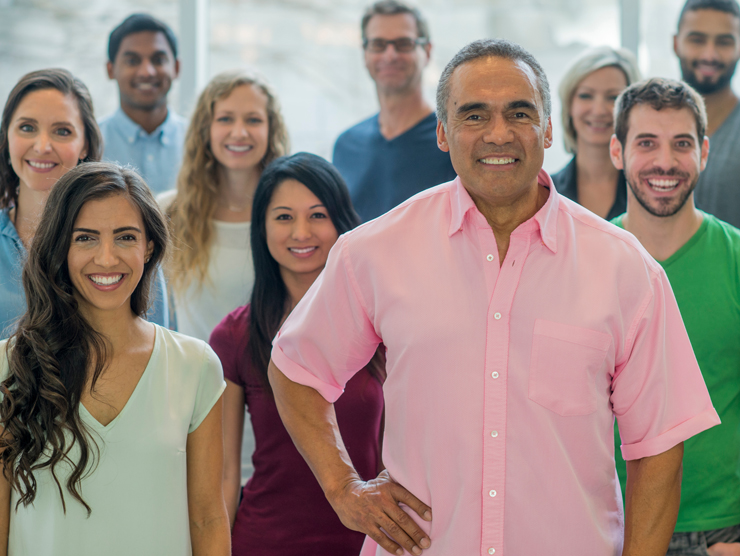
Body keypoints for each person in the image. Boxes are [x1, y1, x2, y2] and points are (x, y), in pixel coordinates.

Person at [267, 39, 720, 556]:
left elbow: (659, 445)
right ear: (442, 131)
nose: (498, 133)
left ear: (549, 128)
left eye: (520, 113)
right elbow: (295, 368)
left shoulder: (624, 267)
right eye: (474, 114)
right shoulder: (375, 251)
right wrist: (342, 486)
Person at [0, 162, 229, 555]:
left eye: (125, 237)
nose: (107, 259)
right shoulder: (9, 366)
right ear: (60, 247)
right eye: (86, 238)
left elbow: (207, 517)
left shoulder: (196, 366)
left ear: (149, 246)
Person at [209, 152, 385, 556]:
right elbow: (223, 475)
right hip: (265, 541)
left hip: (365, 542)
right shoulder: (235, 335)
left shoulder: (381, 327)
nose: (301, 232)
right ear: (262, 228)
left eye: (318, 215)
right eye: (284, 217)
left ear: (342, 222)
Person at [609, 78, 740, 555]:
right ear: (617, 151)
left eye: (681, 144)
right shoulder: (579, 263)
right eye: (647, 143)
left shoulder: (736, 260)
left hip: (720, 533)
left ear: (704, 151)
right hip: (606, 526)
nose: (665, 162)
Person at [0, 69, 170, 339]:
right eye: (27, 127)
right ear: (6, 137)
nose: (42, 145)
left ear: (85, 145)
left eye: (62, 131)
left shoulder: (129, 246)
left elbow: (161, 352)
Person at [163, 70, 289, 342]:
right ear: (205, 129)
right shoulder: (169, 212)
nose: (239, 132)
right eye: (225, 119)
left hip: (271, 381)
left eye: (253, 120)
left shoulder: (292, 218)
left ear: (271, 129)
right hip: (195, 381)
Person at [332, 0, 456, 222]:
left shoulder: (453, 141)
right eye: (378, 45)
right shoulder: (346, 146)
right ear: (365, 53)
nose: (390, 55)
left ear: (427, 51)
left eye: (403, 44)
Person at [98, 13, 186, 194]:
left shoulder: (199, 141)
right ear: (110, 69)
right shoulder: (89, 143)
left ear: (176, 68)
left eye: (158, 60)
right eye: (132, 61)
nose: (147, 71)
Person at [551, 46, 640, 219]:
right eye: (586, 96)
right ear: (569, 105)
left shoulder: (648, 192)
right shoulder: (543, 194)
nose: (599, 110)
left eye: (613, 97)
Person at [674, 0, 740, 227]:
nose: (710, 54)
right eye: (697, 40)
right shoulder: (651, 124)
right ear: (675, 43)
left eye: (724, 42)